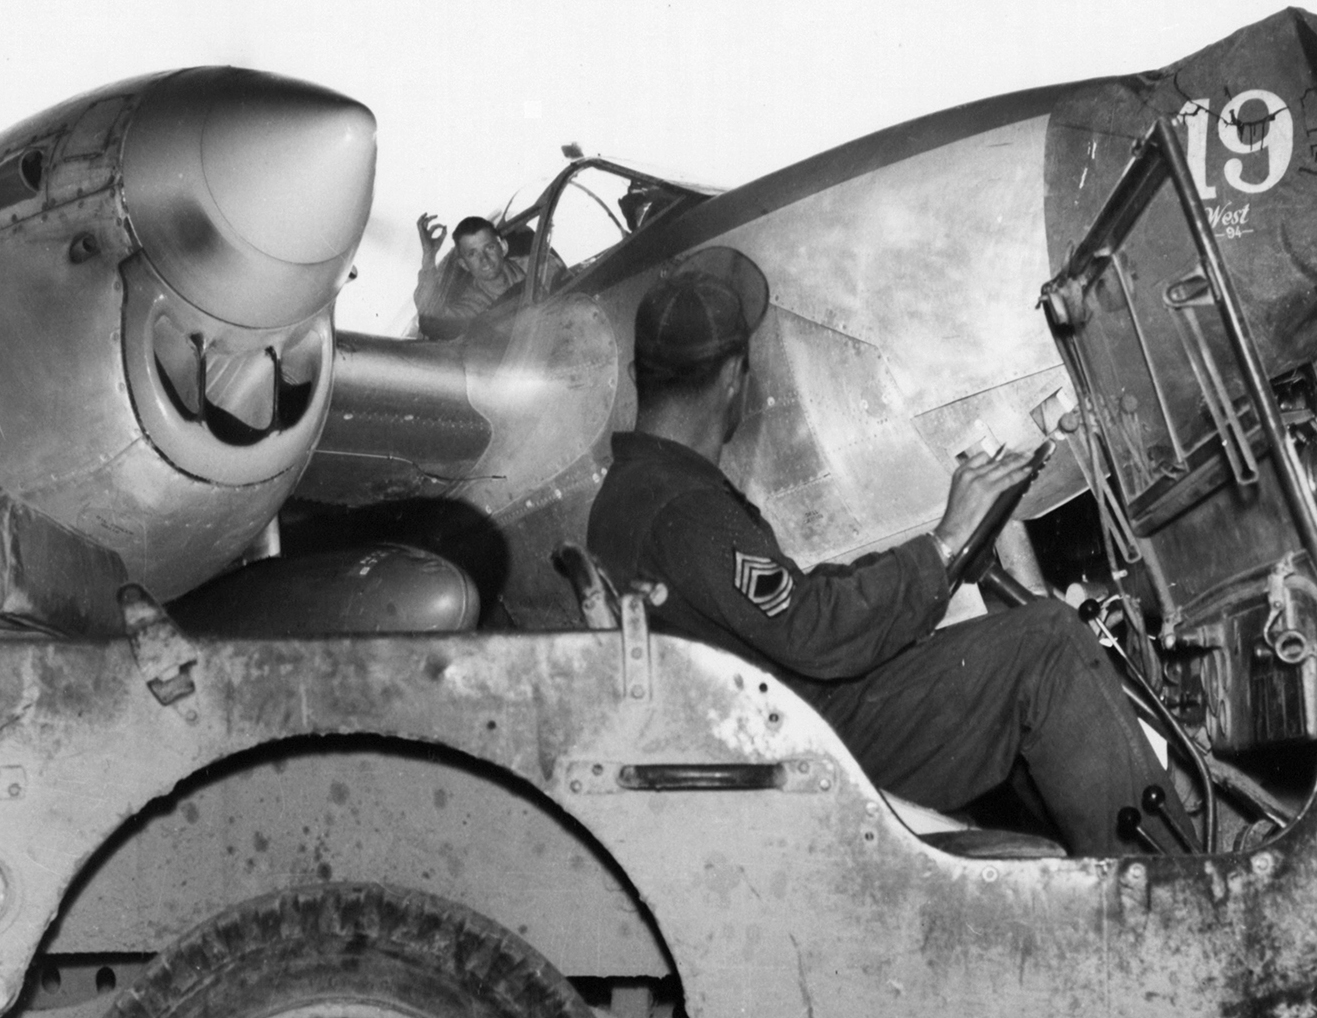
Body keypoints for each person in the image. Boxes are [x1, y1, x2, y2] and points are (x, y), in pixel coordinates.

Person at [585, 246, 1194, 857]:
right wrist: (944, 543)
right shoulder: (682, 509)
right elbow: (814, 630)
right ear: (733, 378)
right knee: (1049, 644)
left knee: (1003, 657)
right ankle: (1182, 892)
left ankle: (1065, 881)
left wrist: (935, 556)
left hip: (771, 725)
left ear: (642, 377)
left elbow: (795, 601)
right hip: (807, 736)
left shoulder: (634, 498)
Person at [414, 214, 525, 339]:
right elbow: (430, 317)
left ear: (503, 248)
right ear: (464, 265)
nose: (484, 259)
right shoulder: (474, 304)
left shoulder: (538, 265)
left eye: (489, 248)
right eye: (472, 254)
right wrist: (429, 257)